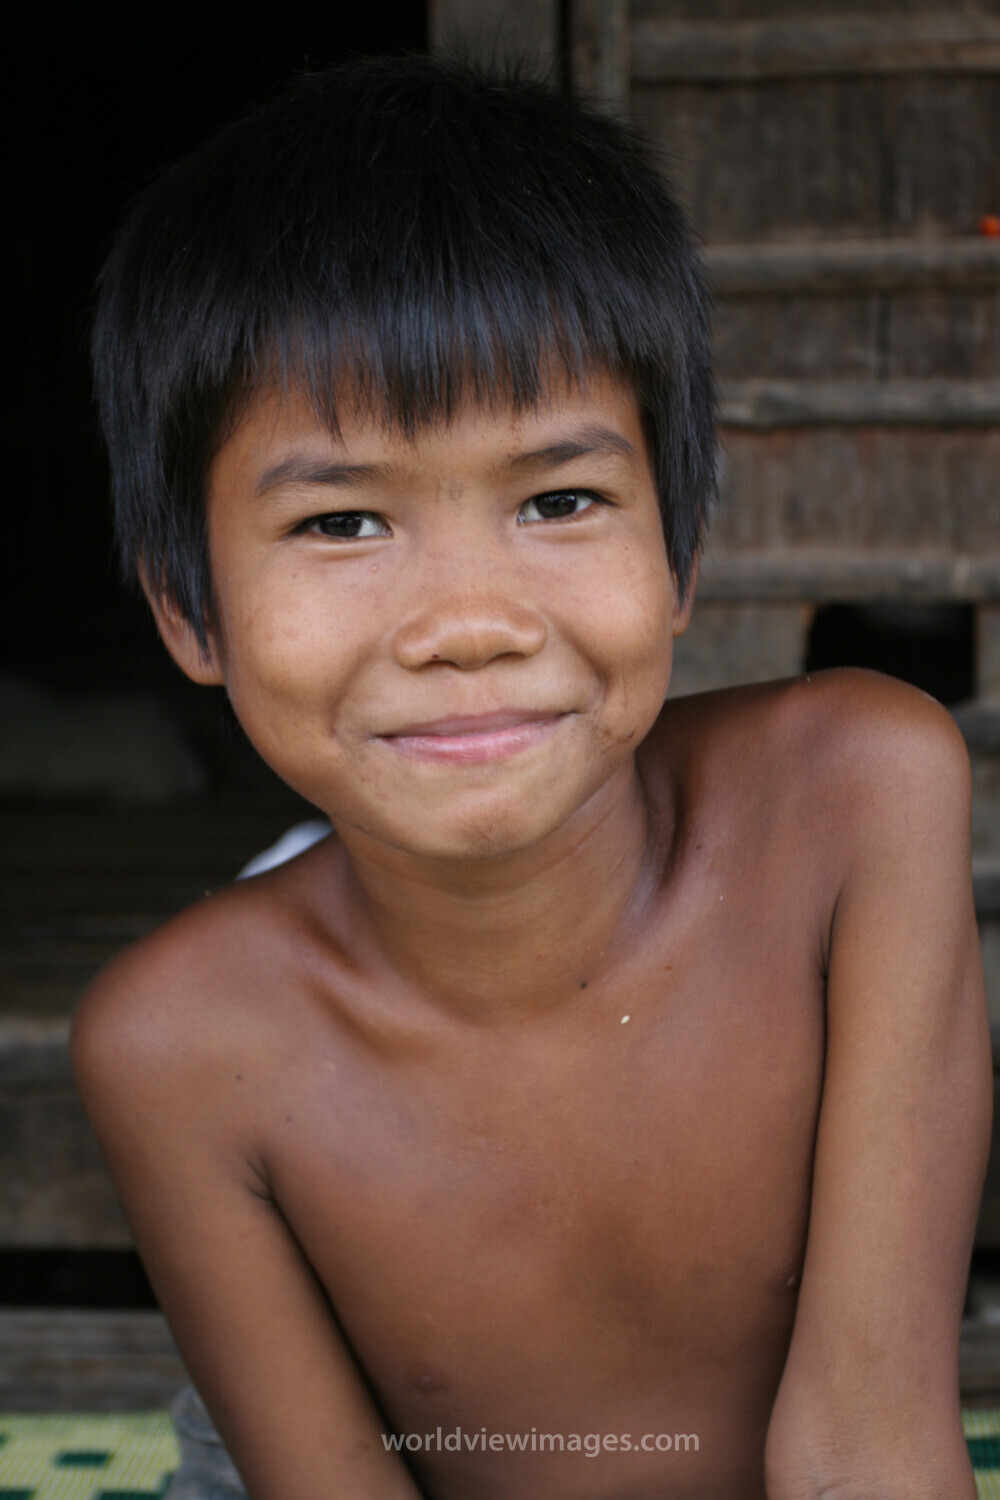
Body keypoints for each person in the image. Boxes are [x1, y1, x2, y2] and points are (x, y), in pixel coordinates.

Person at [71, 54, 992, 1500]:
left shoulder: (862, 798)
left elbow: (866, 1445)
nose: (470, 625)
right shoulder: (183, 1042)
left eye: (560, 500)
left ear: (680, 557)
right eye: (343, 522)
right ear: (190, 613)